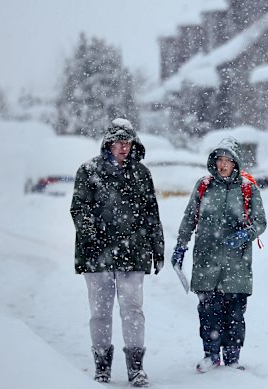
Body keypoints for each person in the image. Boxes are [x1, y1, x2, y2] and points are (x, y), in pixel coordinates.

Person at [70, 118, 164, 387]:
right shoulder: (89, 171)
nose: (123, 148)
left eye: (127, 142)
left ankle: (136, 368)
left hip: (133, 253)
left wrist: (157, 247)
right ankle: (102, 366)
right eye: (118, 143)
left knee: (133, 310)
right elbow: (79, 209)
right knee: (100, 312)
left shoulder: (142, 174)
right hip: (97, 256)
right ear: (108, 144)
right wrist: (94, 239)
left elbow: (150, 214)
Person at [171, 137, 267, 372]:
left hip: (237, 264)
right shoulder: (203, 186)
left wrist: (245, 235)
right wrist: (181, 245)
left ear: (236, 163)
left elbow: (261, 222)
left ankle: (232, 358)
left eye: (228, 160)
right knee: (208, 311)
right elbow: (189, 218)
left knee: (234, 313)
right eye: (220, 160)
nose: (223, 165)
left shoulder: (247, 188)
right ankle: (211, 355)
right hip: (206, 261)